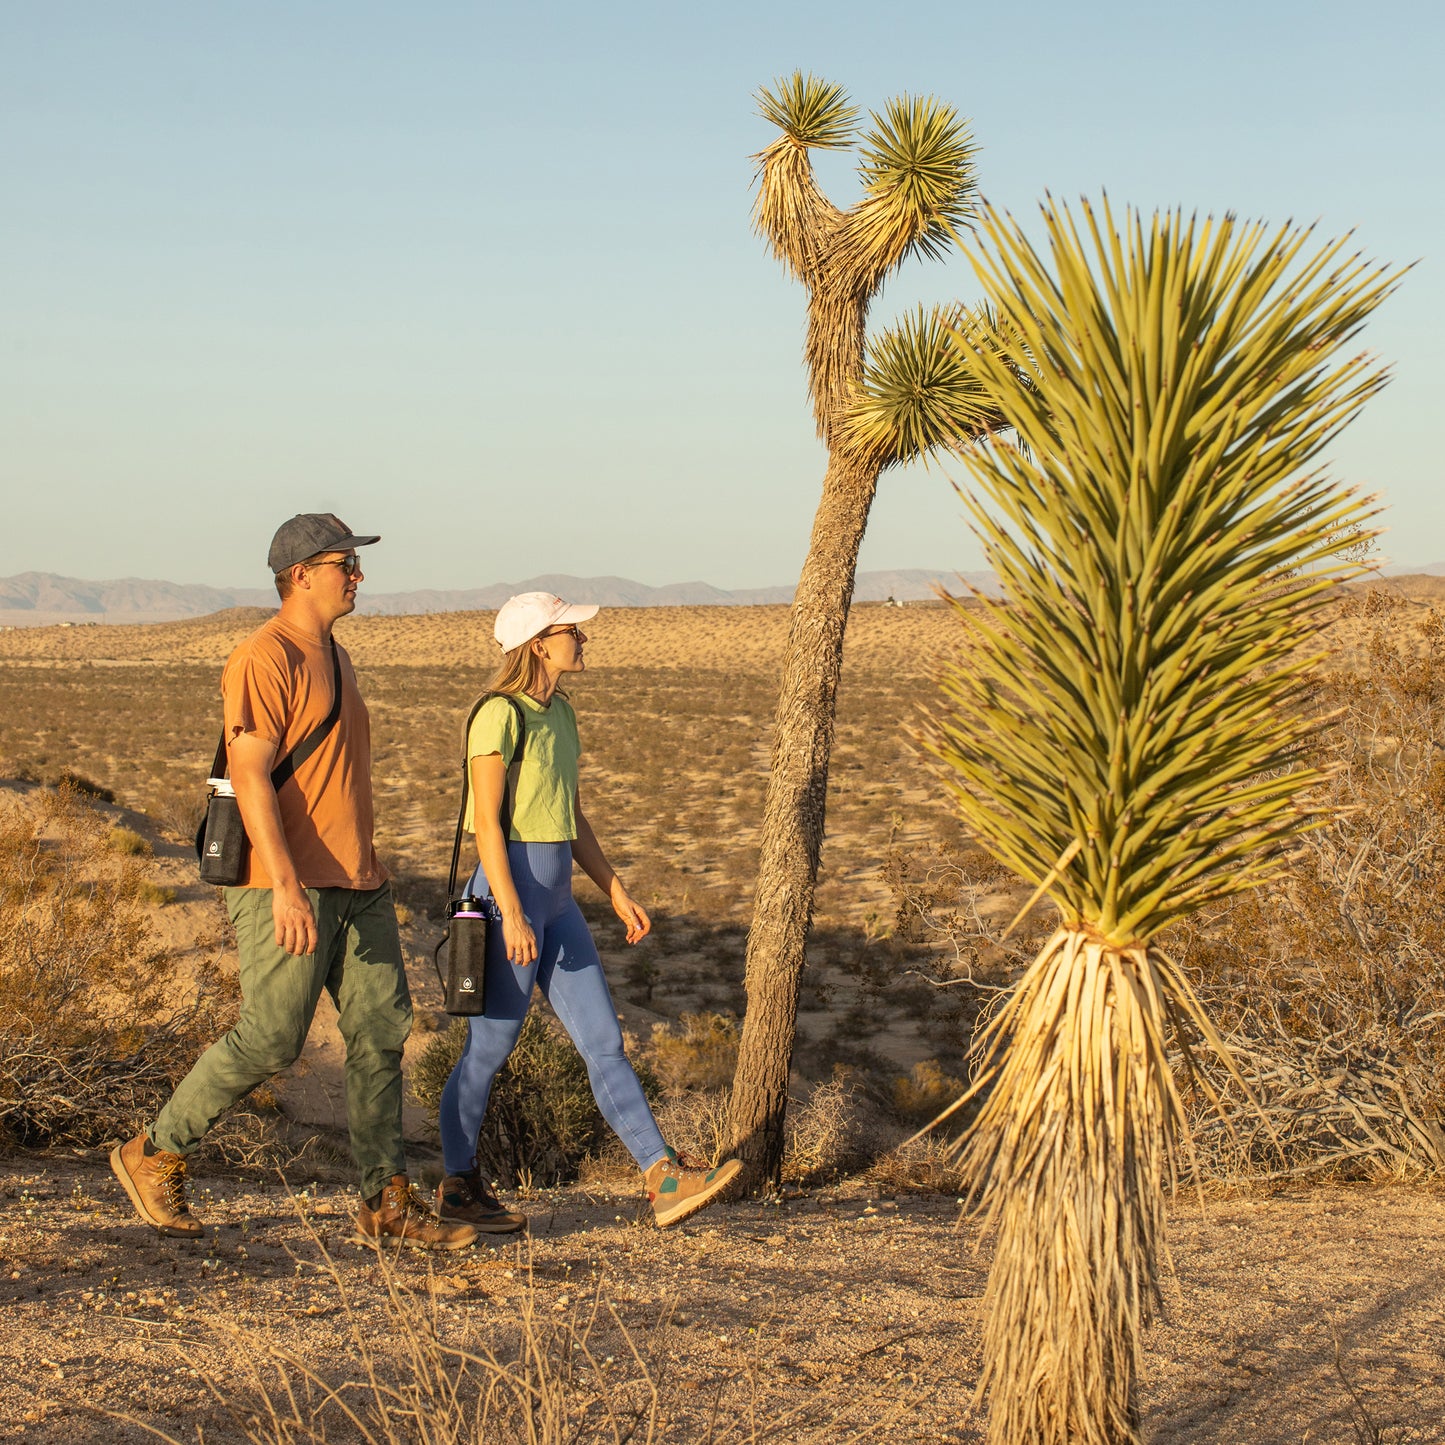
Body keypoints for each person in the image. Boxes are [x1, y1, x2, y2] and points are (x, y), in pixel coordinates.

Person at [111, 513, 476, 1251]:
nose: (358, 576)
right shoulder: (263, 656)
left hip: (356, 879)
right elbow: (249, 774)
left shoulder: (336, 656)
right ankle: (153, 1151)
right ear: (300, 573)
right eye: (346, 562)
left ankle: (385, 1201)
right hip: (286, 880)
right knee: (273, 1036)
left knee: (380, 1034)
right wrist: (282, 882)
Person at [437, 592, 741, 1231]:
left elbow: (568, 815)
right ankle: (458, 1186)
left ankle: (662, 1178)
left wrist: (613, 888)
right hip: (508, 900)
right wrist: (513, 914)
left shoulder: (561, 715)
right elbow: (487, 827)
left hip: (556, 904)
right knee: (488, 1049)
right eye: (572, 630)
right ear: (539, 642)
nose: (584, 639)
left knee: (604, 1042)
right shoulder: (498, 716)